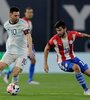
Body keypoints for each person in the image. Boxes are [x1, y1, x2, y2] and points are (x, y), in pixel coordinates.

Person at [44, 20, 90, 95]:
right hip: (62, 62)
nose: (58, 32)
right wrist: (45, 64)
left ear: (65, 28)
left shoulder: (72, 34)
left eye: (60, 30)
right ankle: (86, 90)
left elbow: (82, 35)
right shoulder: (54, 39)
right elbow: (46, 49)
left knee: (89, 72)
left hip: (74, 58)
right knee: (76, 67)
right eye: (57, 30)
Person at [0, 7, 34, 85]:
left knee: (15, 72)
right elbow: (11, 35)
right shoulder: (6, 24)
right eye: (15, 15)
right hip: (10, 51)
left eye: (18, 15)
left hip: (22, 52)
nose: (17, 17)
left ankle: (14, 86)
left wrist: (30, 50)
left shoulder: (23, 23)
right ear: (10, 15)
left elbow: (29, 36)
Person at [22, 7, 39, 84]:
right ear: (25, 13)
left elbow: (29, 35)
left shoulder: (29, 22)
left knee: (32, 60)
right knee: (22, 62)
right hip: (24, 45)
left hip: (28, 45)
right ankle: (8, 73)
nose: (30, 14)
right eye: (28, 12)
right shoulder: (23, 22)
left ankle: (30, 79)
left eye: (31, 12)